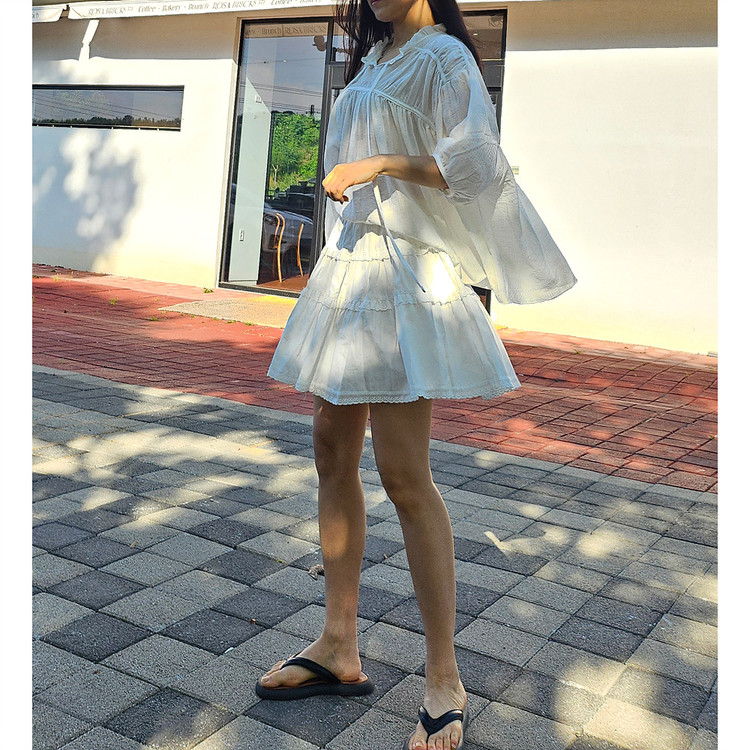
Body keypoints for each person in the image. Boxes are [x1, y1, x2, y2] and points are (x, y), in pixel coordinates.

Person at [256, 0, 577, 747]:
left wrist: (382, 163)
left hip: (404, 277)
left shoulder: (444, 58)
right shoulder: (376, 59)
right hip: (351, 267)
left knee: (404, 474)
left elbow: (475, 167)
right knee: (331, 453)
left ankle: (444, 675)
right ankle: (339, 644)